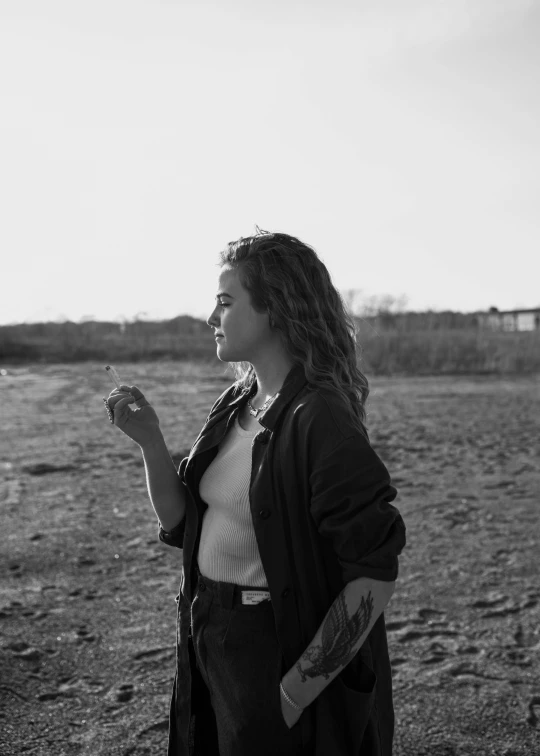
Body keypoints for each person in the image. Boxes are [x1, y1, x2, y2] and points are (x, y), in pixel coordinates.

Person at [104, 228, 406, 756]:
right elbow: (182, 522)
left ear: (276, 308)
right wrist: (151, 442)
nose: (210, 317)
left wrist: (296, 690)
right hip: (210, 635)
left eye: (225, 301)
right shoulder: (235, 401)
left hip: (276, 650)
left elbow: (372, 576)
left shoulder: (322, 420)